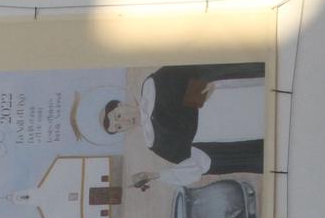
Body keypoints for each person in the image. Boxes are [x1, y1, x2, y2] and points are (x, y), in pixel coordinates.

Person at [101, 62, 266, 189]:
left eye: (118, 116)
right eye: (118, 127)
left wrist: (197, 98)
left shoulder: (153, 84)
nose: (123, 122)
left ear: (121, 104)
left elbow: (193, 71)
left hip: (230, 96)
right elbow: (197, 161)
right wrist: (155, 175)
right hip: (231, 134)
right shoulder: (155, 142)